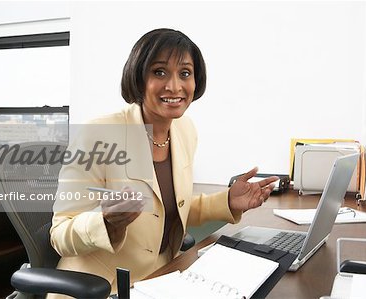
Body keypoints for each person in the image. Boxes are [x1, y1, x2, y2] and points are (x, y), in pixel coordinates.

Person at [50, 28, 278, 296]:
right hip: (102, 287)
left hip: (160, 278)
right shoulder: (98, 134)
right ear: (138, 77)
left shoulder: (184, 130)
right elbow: (60, 235)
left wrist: (228, 201)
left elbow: (169, 209)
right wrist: (106, 222)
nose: (174, 86)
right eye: (159, 72)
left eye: (185, 73)